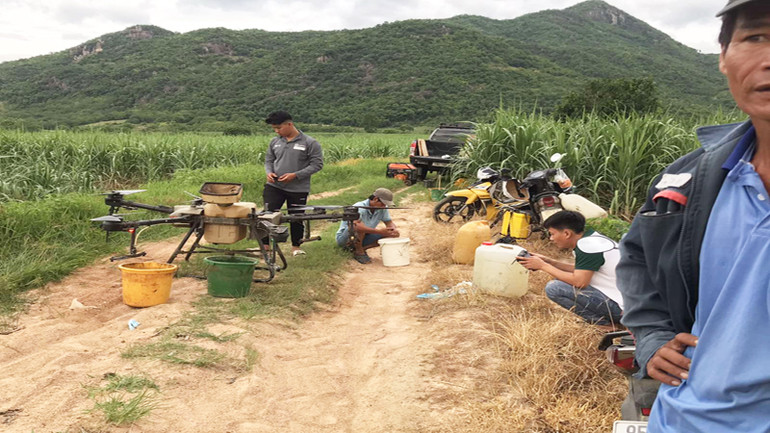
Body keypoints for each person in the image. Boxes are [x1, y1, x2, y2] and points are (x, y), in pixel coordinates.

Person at [616, 1, 770, 430]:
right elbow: (637, 259)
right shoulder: (685, 180)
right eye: (756, 37)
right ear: (723, 56)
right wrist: (652, 338)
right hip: (683, 418)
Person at [517, 210, 623, 329]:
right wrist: (550, 262)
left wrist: (543, 266)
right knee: (562, 281)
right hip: (632, 303)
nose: (551, 238)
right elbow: (583, 270)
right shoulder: (592, 240)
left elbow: (580, 281)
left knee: (555, 288)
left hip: (623, 308)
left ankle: (605, 325)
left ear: (567, 233)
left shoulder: (587, 247)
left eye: (552, 234)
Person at [262, 111, 323, 256]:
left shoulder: (310, 143)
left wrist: (295, 175)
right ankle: (265, 246)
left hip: (298, 188)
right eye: (274, 129)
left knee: (296, 217)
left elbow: (317, 164)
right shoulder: (275, 141)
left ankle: (296, 246)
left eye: (279, 128)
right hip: (274, 186)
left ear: (290, 124)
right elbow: (269, 160)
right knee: (267, 215)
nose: (277, 131)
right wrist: (269, 172)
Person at [335, 188, 400, 264]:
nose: (384, 206)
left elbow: (389, 222)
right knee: (360, 228)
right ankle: (359, 252)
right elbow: (355, 226)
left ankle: (359, 249)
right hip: (347, 237)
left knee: (393, 234)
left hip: (365, 236)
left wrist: (392, 229)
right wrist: (379, 232)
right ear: (376, 199)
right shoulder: (359, 207)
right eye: (383, 203)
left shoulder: (383, 208)